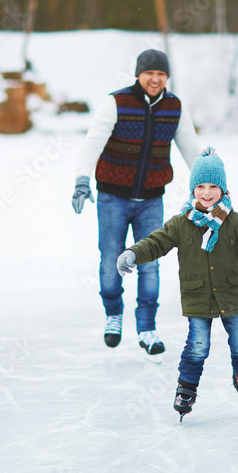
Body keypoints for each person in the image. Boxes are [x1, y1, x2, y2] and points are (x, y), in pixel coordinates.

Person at [116, 147, 238, 420]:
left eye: (213, 186)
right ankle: (187, 387)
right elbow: (156, 242)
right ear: (192, 190)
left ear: (224, 190)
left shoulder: (236, 221)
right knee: (198, 345)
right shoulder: (181, 223)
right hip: (197, 297)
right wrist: (133, 253)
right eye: (200, 186)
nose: (206, 192)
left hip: (232, 294)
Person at [72, 49, 200, 359]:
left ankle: (146, 328)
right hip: (112, 197)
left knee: (150, 264)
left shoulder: (174, 108)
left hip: (151, 200)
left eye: (161, 74)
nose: (155, 79)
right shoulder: (116, 103)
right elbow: (93, 143)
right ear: (138, 75)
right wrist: (81, 180)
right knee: (111, 261)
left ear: (166, 78)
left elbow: (192, 151)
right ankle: (113, 313)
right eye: (149, 73)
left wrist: (211, 188)